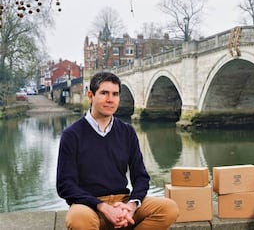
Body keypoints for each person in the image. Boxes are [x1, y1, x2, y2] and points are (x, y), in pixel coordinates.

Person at [56, 72, 179, 230]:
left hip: (123, 201)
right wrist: (102, 206)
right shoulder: (72, 135)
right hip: (89, 205)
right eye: (104, 93)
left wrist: (132, 205)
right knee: (77, 219)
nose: (110, 99)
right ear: (90, 96)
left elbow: (141, 177)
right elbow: (65, 185)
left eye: (115, 94)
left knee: (168, 208)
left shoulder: (127, 132)